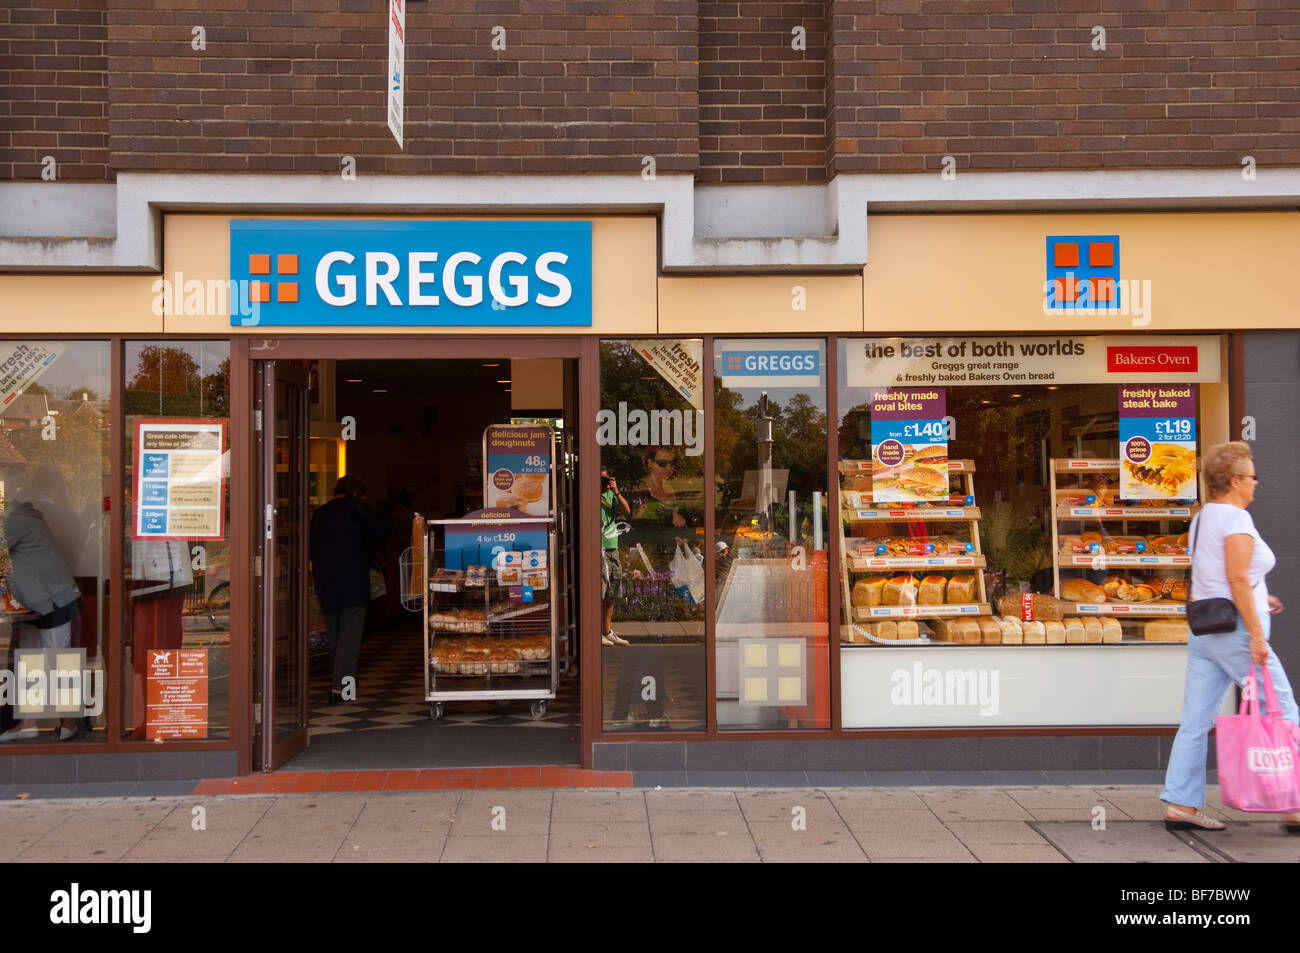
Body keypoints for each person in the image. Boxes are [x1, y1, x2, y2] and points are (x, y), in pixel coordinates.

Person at [1159, 441, 1300, 833]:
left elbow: (1220, 575)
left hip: (1205, 631)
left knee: (1195, 720)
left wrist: (1260, 593)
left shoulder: (1203, 518)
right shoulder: (1236, 520)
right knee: (1284, 710)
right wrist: (1256, 634)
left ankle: (1181, 805)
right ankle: (1294, 802)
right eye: (1252, 476)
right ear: (1235, 480)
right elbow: (1235, 577)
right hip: (1237, 633)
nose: (1257, 483)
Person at [1, 481, 84, 741]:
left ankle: (69, 721)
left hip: (52, 599)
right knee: (31, 661)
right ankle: (28, 722)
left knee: (60, 662)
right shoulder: (24, 519)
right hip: (35, 602)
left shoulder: (16, 522)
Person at [309, 475, 386, 704]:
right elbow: (381, 533)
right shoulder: (359, 509)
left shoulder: (320, 513)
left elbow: (311, 545)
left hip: (325, 581)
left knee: (334, 634)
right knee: (350, 637)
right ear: (356, 493)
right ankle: (340, 688)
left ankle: (341, 678)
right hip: (353, 579)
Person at [600, 467, 630, 646]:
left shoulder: (611, 496)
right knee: (600, 591)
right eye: (602, 480)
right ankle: (595, 631)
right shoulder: (591, 494)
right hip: (599, 548)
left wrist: (616, 491)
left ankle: (607, 630)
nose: (605, 483)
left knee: (612, 591)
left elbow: (627, 510)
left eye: (606, 479)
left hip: (613, 547)